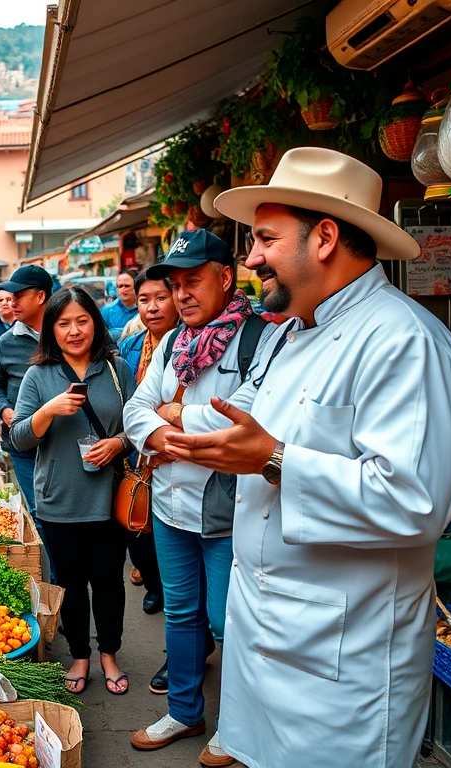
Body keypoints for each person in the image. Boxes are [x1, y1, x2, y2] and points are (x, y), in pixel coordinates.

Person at [161, 148, 451, 768]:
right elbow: (240, 415)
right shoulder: (290, 333)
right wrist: (163, 427)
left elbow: (414, 503)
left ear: (326, 238)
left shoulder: (404, 342)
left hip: (345, 664)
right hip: (268, 642)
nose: (250, 258)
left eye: (264, 239)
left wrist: (274, 459)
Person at [123, 230, 272, 759]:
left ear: (225, 278)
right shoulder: (172, 343)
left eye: (193, 282)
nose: (181, 294)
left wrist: (173, 417)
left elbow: (246, 418)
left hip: (228, 510)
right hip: (169, 506)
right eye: (175, 284)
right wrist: (165, 431)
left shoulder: (260, 337)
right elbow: (136, 408)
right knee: (182, 614)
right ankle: (184, 713)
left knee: (227, 620)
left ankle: (236, 726)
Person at [11, 285, 136, 695]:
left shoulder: (117, 370)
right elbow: (20, 438)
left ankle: (109, 654)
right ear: (52, 329)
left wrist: (118, 443)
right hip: (58, 501)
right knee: (71, 582)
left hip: (107, 500)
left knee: (109, 583)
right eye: (64, 323)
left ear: (95, 324)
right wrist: (48, 410)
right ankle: (80, 655)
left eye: (82, 321)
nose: (74, 330)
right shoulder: (39, 375)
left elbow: (138, 427)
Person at [118, 268, 179, 619]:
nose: (152, 307)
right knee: (137, 530)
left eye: (160, 298)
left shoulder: (190, 345)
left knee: (171, 532)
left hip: (171, 452)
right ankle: (155, 585)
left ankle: (172, 593)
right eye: (144, 300)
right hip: (134, 453)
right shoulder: (129, 345)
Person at [0, 266, 53, 565]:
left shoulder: (67, 332)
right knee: (39, 512)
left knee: (64, 512)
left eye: (18, 296)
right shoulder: (7, 340)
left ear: (40, 296)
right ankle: (55, 576)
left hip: (64, 445)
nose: (11, 302)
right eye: (8, 297)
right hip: (24, 445)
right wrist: (5, 409)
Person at [100, 271, 139, 342]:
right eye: (120, 286)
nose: (123, 289)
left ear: (135, 287)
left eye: (127, 286)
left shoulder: (143, 309)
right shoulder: (106, 311)